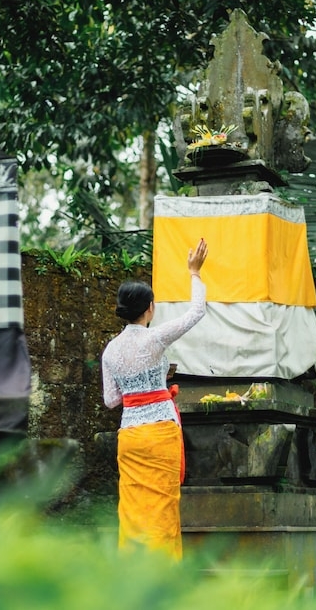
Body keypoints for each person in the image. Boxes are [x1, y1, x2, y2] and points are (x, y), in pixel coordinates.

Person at [101, 238, 209, 560]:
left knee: (134, 513)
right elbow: (197, 311)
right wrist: (194, 272)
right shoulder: (155, 338)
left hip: (131, 437)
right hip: (160, 432)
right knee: (161, 510)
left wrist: (135, 388)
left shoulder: (110, 351)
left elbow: (110, 400)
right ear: (150, 308)